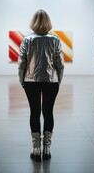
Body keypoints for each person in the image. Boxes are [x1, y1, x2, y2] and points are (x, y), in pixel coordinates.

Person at [18, 9, 64, 162]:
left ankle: (36, 149)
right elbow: (60, 64)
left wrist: (21, 79)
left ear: (33, 22)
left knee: (35, 112)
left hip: (31, 81)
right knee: (48, 112)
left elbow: (22, 63)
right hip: (51, 81)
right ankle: (47, 148)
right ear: (48, 22)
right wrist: (59, 79)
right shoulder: (55, 39)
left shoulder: (27, 40)